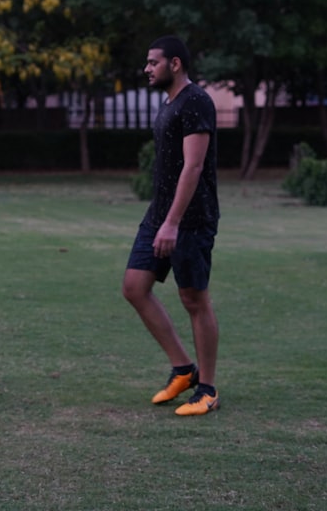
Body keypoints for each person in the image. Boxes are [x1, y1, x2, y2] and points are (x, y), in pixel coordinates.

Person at [122, 36, 221, 416]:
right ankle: (184, 369)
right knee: (134, 287)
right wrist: (161, 221)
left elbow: (193, 166)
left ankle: (208, 390)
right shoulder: (169, 103)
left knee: (194, 300)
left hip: (190, 220)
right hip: (159, 215)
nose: (147, 69)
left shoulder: (196, 102)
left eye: (153, 62)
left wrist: (173, 223)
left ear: (175, 64)